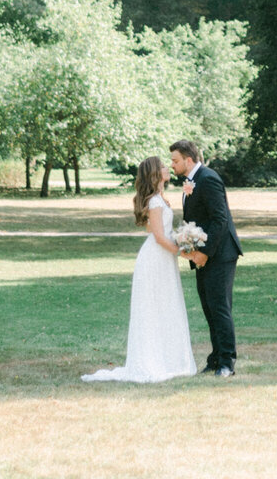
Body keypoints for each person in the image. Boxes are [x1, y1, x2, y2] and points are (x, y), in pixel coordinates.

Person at [81, 156, 196, 383]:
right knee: (154, 307)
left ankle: (168, 359)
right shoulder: (154, 202)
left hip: (163, 258)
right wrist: (183, 252)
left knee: (166, 305)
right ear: (155, 173)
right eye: (163, 166)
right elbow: (159, 237)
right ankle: (152, 361)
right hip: (155, 258)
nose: (167, 168)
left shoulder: (159, 199)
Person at [170, 139, 243, 377]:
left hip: (220, 254)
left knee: (220, 307)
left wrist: (204, 253)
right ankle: (215, 358)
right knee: (209, 307)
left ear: (188, 160)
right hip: (204, 255)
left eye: (175, 160)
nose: (172, 165)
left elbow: (220, 220)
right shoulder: (192, 180)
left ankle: (227, 362)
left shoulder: (208, 178)